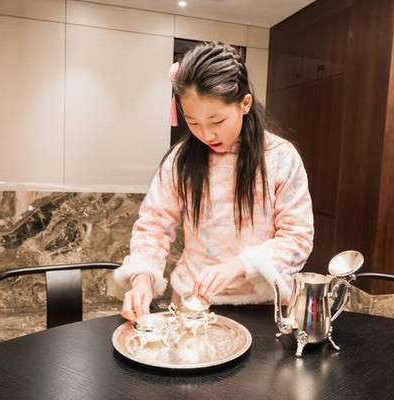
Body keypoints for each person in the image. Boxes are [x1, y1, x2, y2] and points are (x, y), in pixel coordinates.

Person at [114, 41, 314, 321]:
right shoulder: (181, 160)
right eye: (193, 123)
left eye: (217, 121)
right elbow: (153, 226)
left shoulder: (280, 157)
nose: (206, 135)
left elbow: (297, 237)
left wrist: (240, 265)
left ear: (245, 104)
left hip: (265, 306)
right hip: (192, 302)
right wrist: (142, 278)